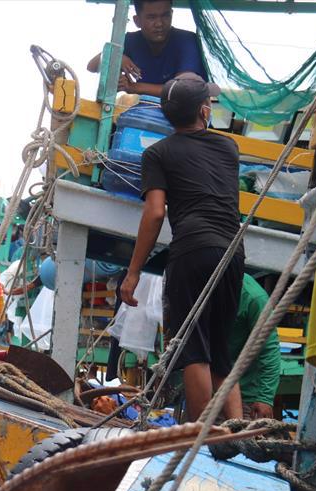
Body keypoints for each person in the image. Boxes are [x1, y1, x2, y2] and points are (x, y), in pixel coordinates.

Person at [120, 74, 243, 422]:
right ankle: (237, 434)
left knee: (194, 350)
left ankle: (198, 440)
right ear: (204, 111)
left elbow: (155, 212)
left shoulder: (157, 154)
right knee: (220, 353)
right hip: (232, 253)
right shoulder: (229, 148)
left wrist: (133, 273)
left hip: (192, 250)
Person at [86, 0, 208, 98]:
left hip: (186, 115)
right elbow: (91, 66)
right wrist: (116, 57)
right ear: (137, 21)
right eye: (151, 17)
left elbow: (182, 89)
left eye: (165, 16)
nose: (159, 24)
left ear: (171, 14)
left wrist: (134, 87)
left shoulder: (187, 40)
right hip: (146, 111)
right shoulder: (131, 40)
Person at [229, 274, 282, 420]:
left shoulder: (253, 297)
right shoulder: (201, 286)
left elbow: (269, 349)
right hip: (207, 387)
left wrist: (265, 397)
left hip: (244, 394)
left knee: (238, 433)